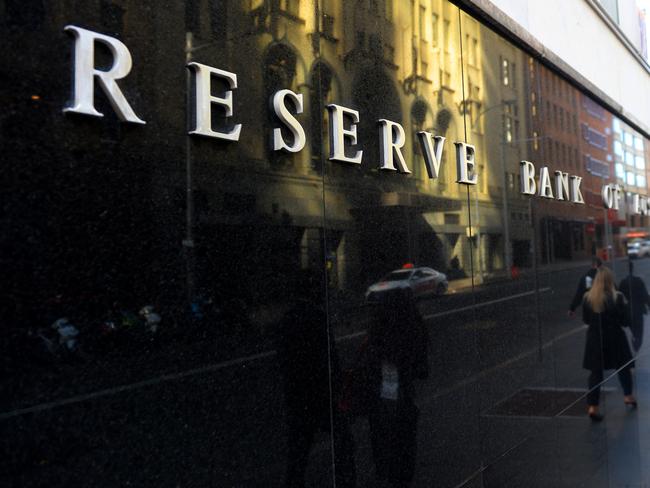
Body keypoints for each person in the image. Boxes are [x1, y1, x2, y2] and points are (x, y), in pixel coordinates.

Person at [275, 273, 356, 488]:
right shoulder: (317, 317)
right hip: (320, 393)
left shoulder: (288, 318)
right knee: (344, 442)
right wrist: (337, 383)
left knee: (298, 452)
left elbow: (284, 359)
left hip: (297, 395)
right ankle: (346, 481)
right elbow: (328, 356)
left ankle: (294, 483)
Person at [366, 288, 429, 487]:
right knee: (404, 452)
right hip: (402, 399)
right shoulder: (411, 328)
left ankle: (386, 471)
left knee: (387, 447)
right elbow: (422, 369)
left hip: (381, 400)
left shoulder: (378, 331)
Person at [581, 267, 636, 421]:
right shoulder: (617, 297)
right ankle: (628, 396)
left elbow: (585, 320)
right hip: (615, 339)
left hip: (594, 340)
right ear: (610, 280)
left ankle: (593, 407)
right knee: (623, 368)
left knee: (595, 374)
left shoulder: (588, 298)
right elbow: (625, 321)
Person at [618, 260, 650, 351]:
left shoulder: (623, 282)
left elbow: (619, 297)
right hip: (638, 310)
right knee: (639, 332)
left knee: (635, 331)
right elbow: (645, 295)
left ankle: (635, 341)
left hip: (628, 310)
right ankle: (636, 345)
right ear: (633, 269)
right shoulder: (638, 281)